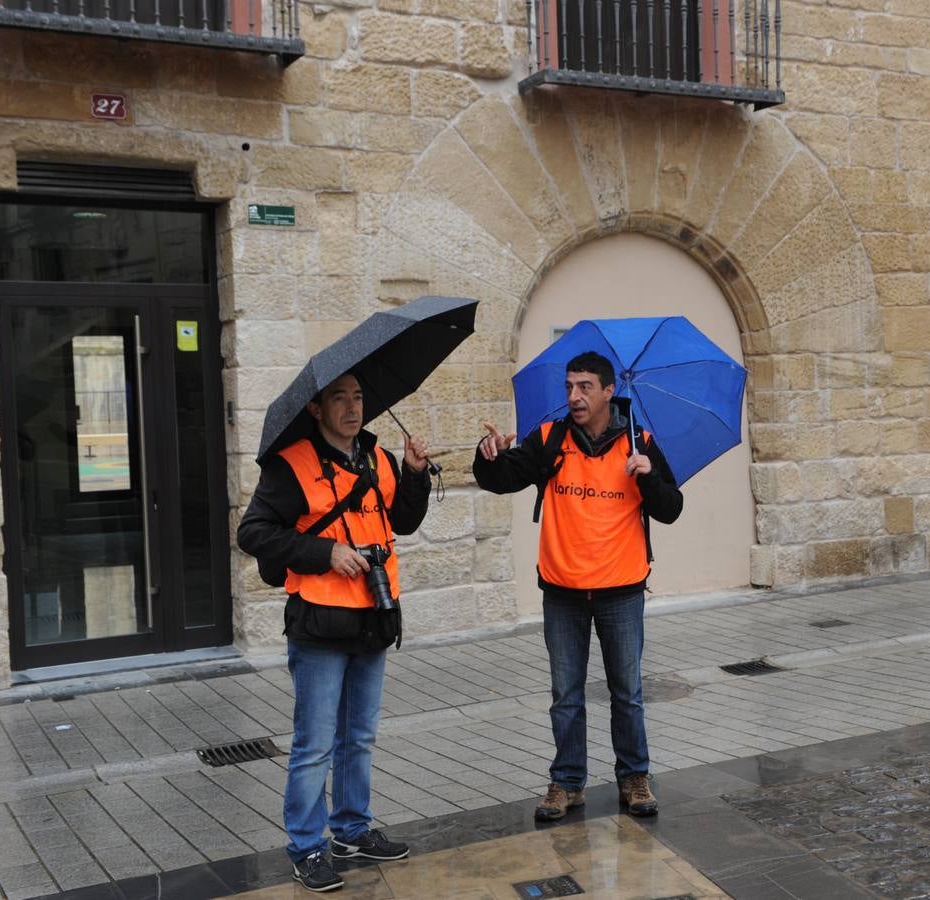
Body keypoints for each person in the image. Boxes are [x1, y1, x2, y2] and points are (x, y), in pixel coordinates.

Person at [238, 373, 431, 893]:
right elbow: (253, 533)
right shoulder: (292, 465)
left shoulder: (378, 458)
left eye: (359, 397)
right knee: (315, 744)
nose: (352, 407)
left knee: (359, 737)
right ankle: (306, 847)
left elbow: (405, 520)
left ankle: (351, 829)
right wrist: (325, 553)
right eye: (339, 398)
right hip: (320, 622)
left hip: (373, 617)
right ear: (316, 408)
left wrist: (414, 474)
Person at [473, 351, 683, 821]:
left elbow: (671, 508)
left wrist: (648, 477)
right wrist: (487, 458)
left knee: (626, 692)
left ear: (610, 391)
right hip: (563, 591)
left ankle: (634, 777)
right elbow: (502, 479)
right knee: (565, 695)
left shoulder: (639, 442)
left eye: (585, 386)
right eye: (570, 386)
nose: (574, 396)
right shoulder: (549, 439)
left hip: (621, 591)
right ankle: (567, 782)